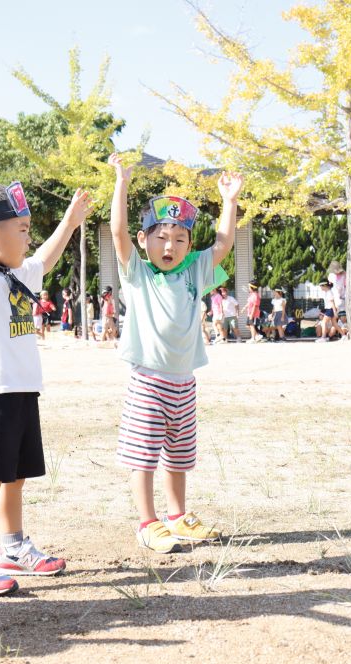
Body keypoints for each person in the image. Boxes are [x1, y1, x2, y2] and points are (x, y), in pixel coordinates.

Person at [0, 166, 90, 595]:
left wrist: (70, 222)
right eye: (22, 229)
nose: (29, 237)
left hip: (24, 391)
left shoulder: (19, 275)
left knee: (15, 477)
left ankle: (12, 546)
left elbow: (45, 257)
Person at [107, 153, 244, 554]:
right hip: (149, 380)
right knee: (144, 454)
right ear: (144, 240)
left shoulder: (193, 271)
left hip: (184, 381)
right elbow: (117, 233)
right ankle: (148, 523)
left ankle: (177, 516)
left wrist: (229, 203)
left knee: (180, 455)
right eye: (162, 238)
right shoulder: (138, 273)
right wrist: (121, 182)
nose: (170, 246)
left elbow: (222, 244)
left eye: (180, 239)